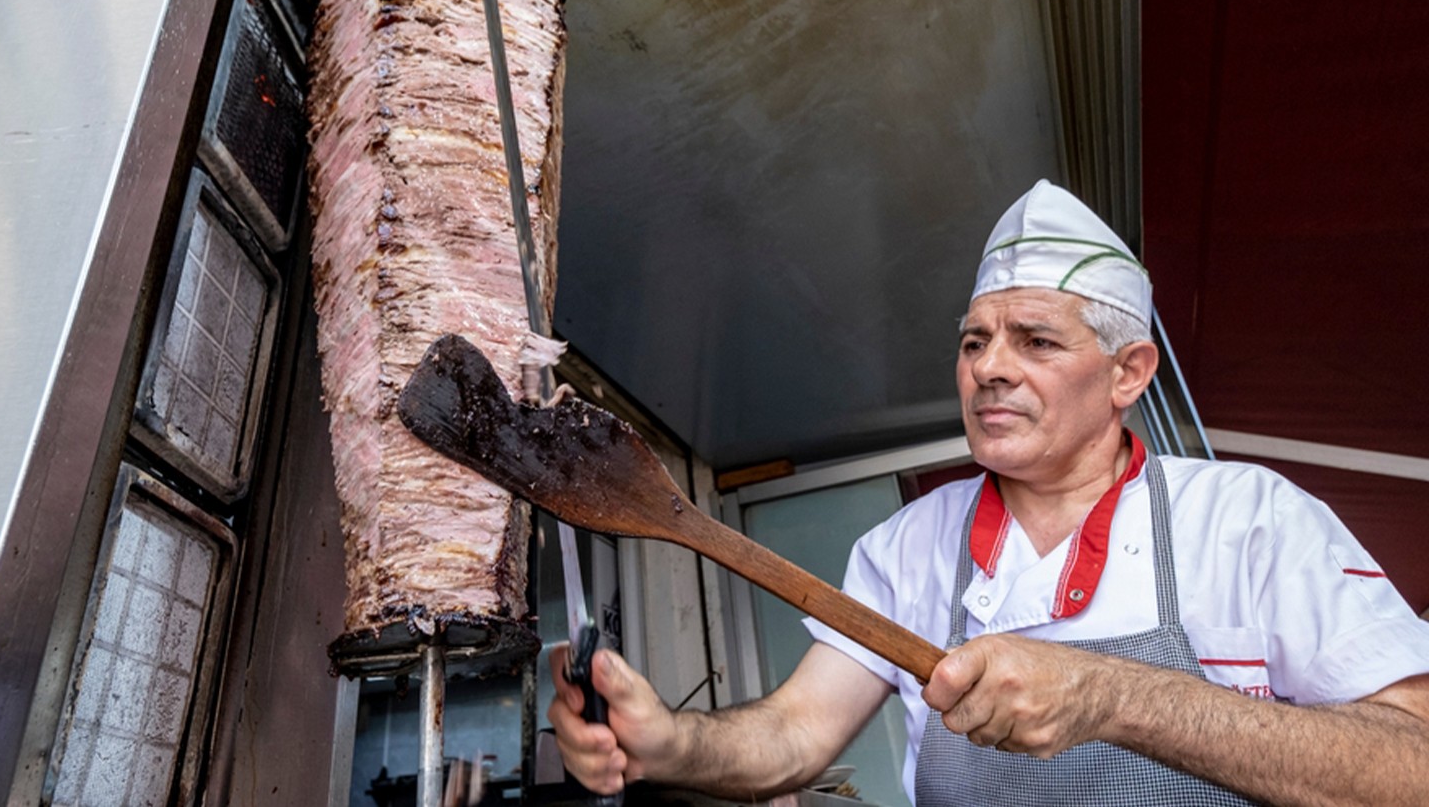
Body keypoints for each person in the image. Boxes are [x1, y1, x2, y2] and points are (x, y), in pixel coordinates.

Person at [548, 180, 1429, 806]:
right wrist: (670, 742)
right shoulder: (910, 546)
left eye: (1036, 341)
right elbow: (792, 736)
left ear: (1129, 373)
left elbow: (1414, 767)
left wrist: (1114, 698)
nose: (989, 369)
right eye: (975, 342)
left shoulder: (1248, 521)